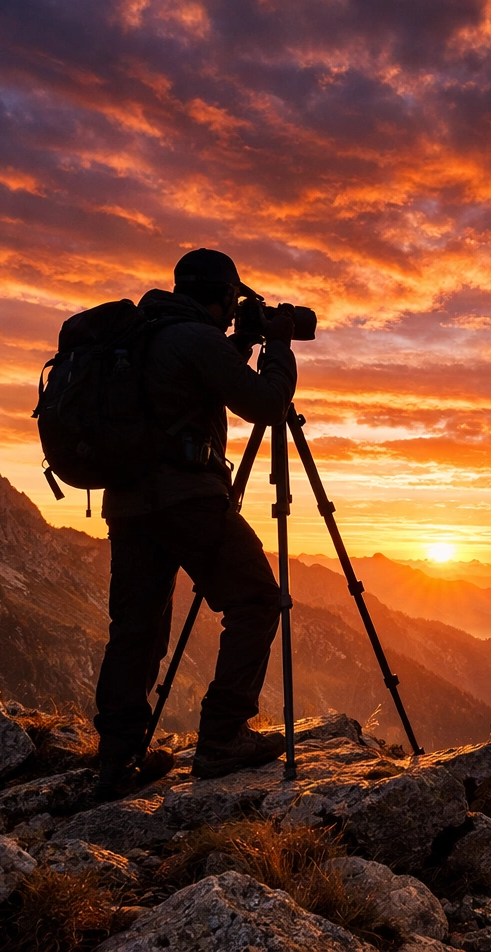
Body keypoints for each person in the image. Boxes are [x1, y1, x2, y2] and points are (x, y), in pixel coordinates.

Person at [93, 248, 296, 799]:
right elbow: (267, 403)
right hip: (187, 498)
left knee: (136, 628)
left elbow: (184, 384)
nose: (237, 309)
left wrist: (241, 346)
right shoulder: (196, 338)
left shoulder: (149, 333)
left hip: (130, 504)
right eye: (234, 299)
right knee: (256, 600)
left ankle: (117, 762)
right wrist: (276, 344)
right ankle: (222, 738)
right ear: (223, 294)